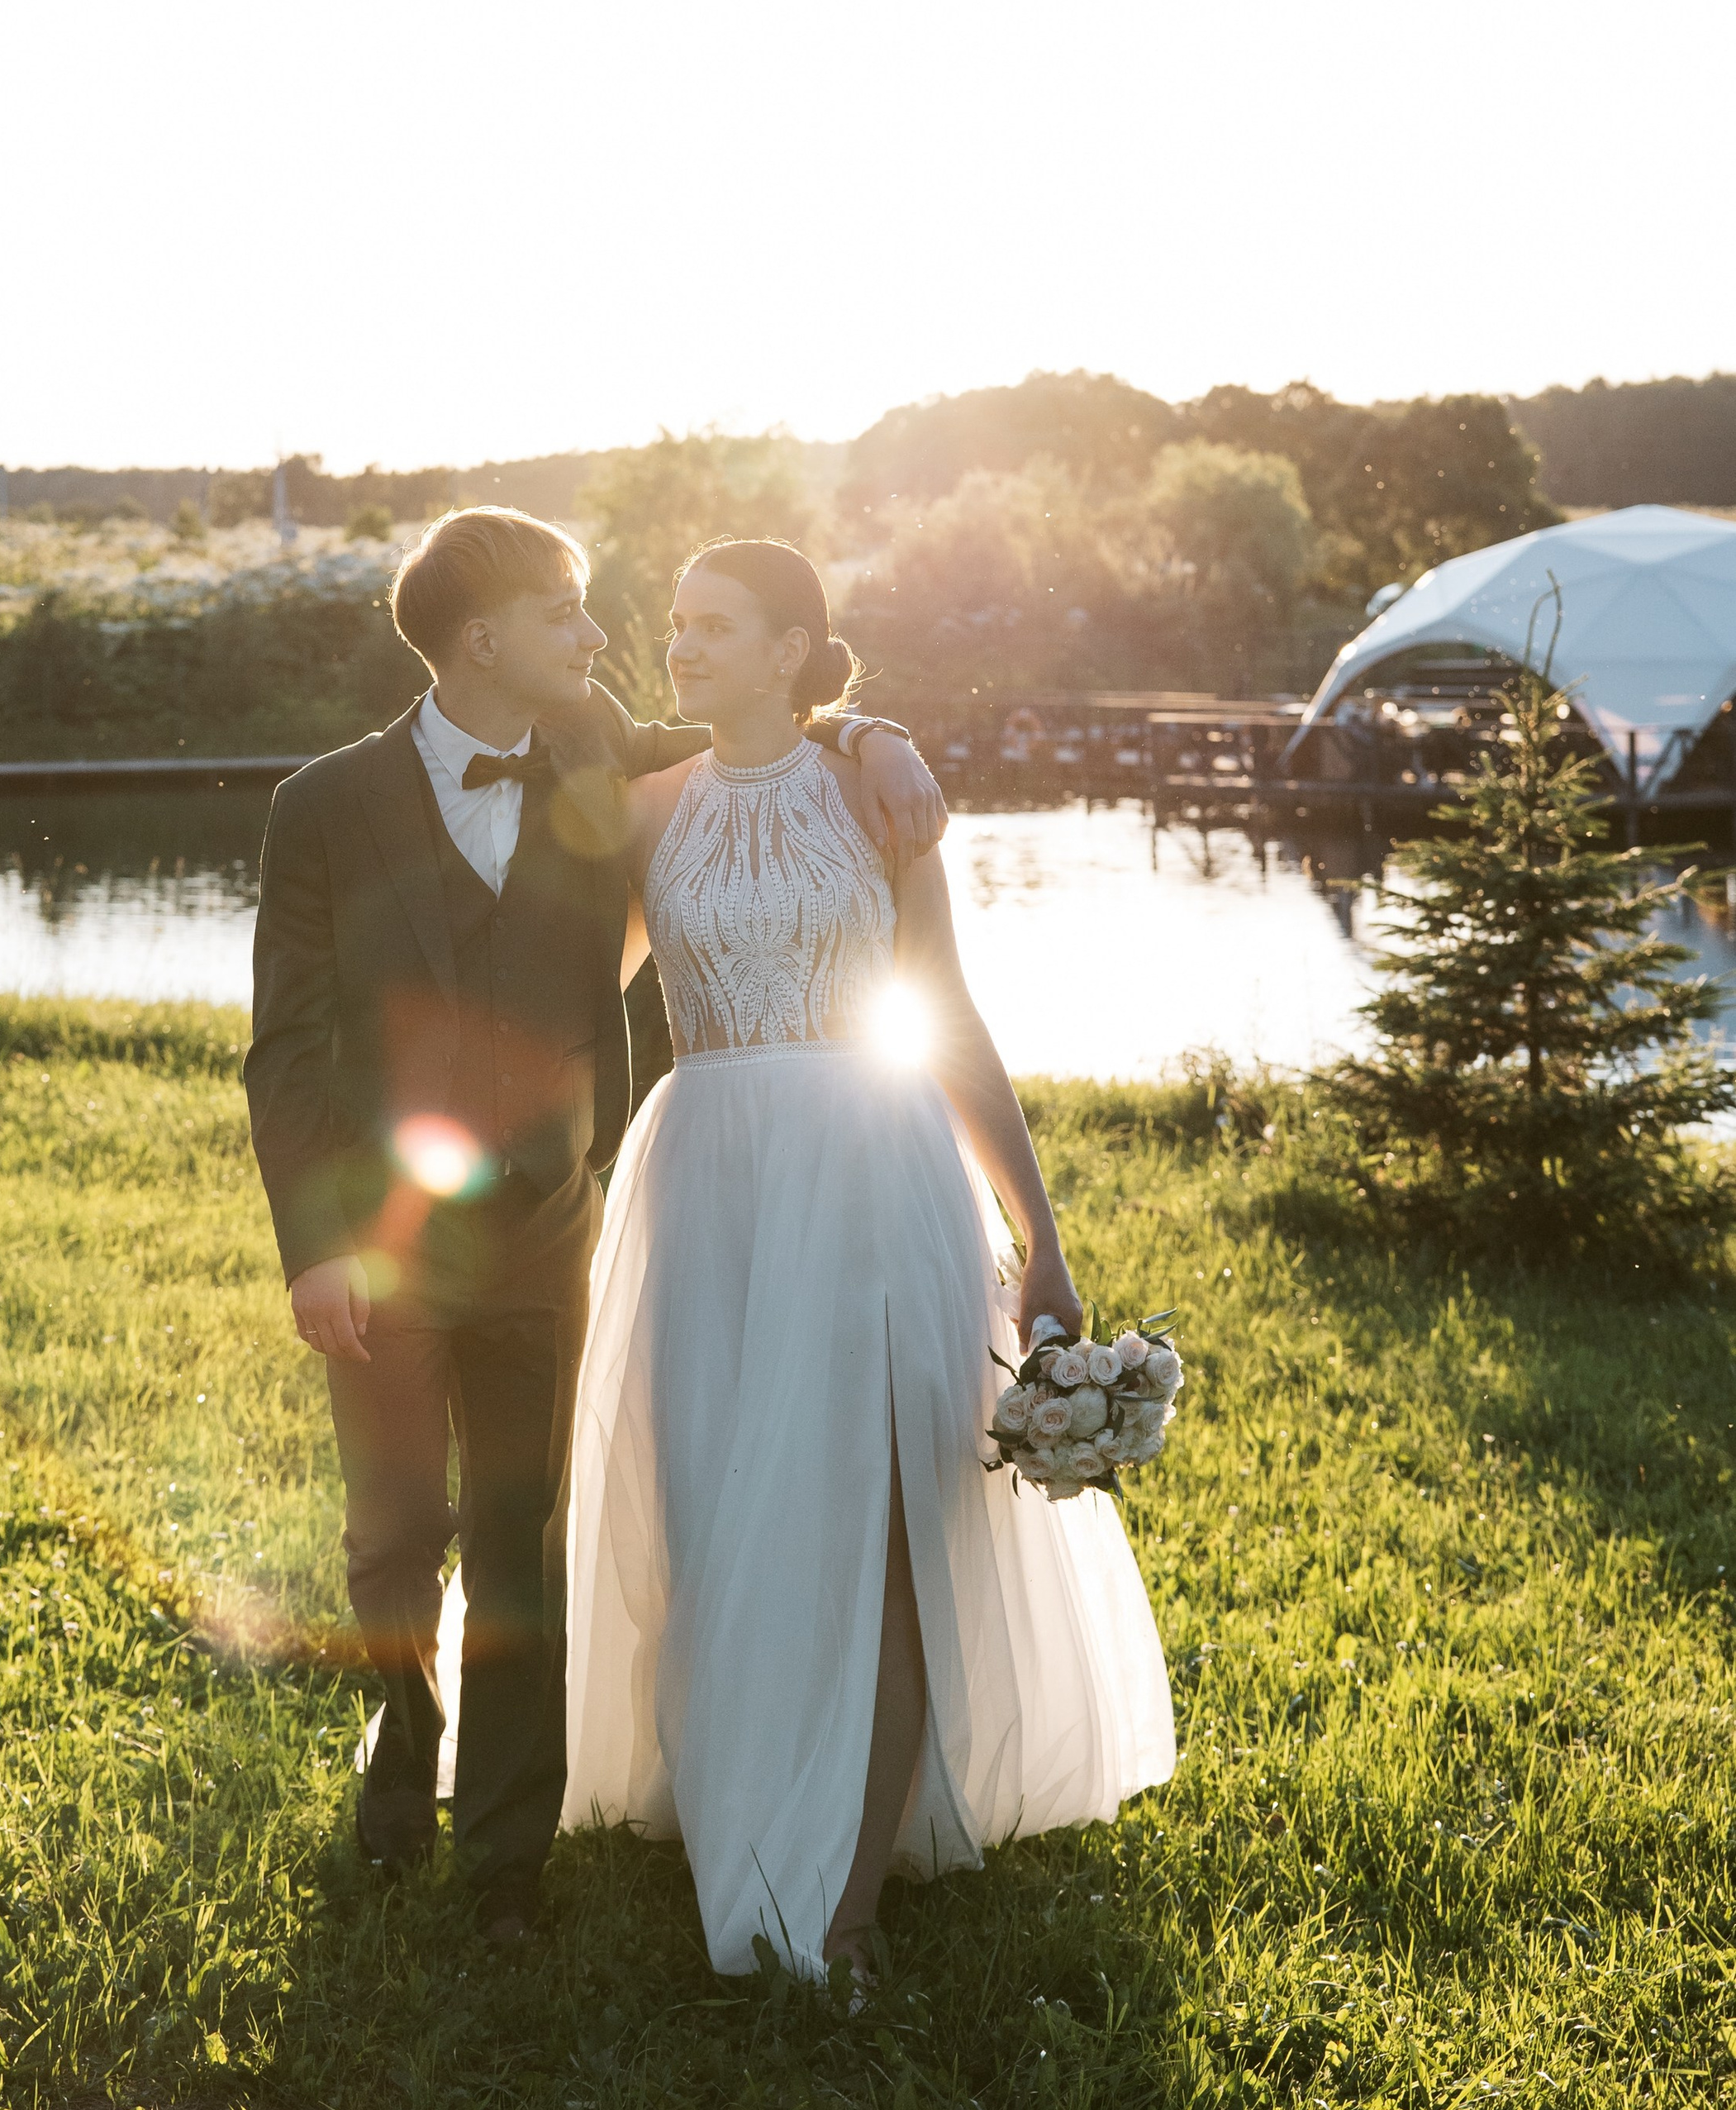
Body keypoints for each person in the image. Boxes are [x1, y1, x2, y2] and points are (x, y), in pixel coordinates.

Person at [243, 507, 946, 1947]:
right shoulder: (321, 804)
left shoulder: (602, 753)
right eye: (569, 608)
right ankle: (400, 1743)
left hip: (548, 1228)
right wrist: (313, 1243)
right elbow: (287, 1046)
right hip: (377, 1237)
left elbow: (764, 738)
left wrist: (873, 730)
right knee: (394, 1531)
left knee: (523, 1534)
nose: (601, 633)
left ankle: (504, 1860)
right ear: (485, 636)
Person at [562, 538, 1174, 1984]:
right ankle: (735, 1802)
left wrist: (1041, 1232)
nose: (681, 645)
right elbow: (573, 999)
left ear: (792, 647)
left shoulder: (876, 796)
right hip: (710, 1182)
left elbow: (945, 1013)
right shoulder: (650, 811)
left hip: (878, 1169)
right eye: (674, 622)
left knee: (887, 1521)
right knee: (723, 1514)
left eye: (714, 625)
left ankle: (844, 1905)